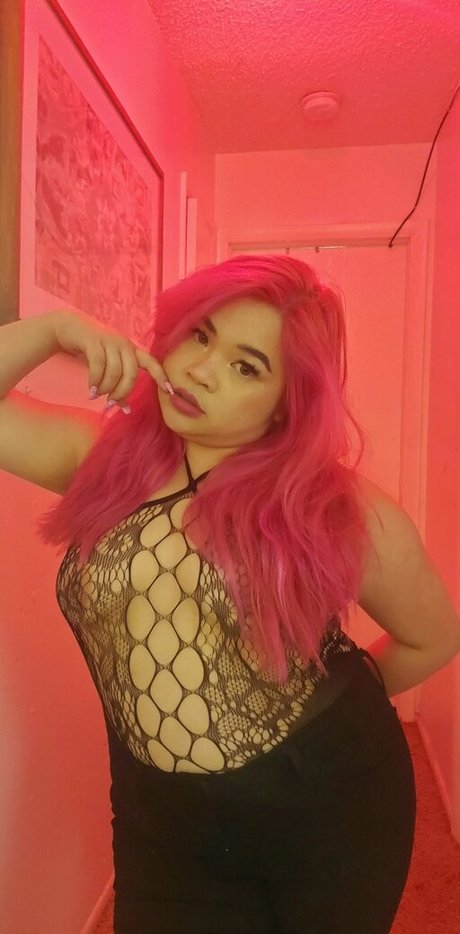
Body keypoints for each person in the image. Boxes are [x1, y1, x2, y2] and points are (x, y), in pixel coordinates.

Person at [1, 254, 459, 934]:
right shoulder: (101, 459)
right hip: (162, 816)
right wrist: (53, 329)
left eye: (248, 367)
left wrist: (313, 711)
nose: (202, 370)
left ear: (284, 404)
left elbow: (435, 637)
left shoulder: (332, 506)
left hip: (326, 803)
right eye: (200, 335)